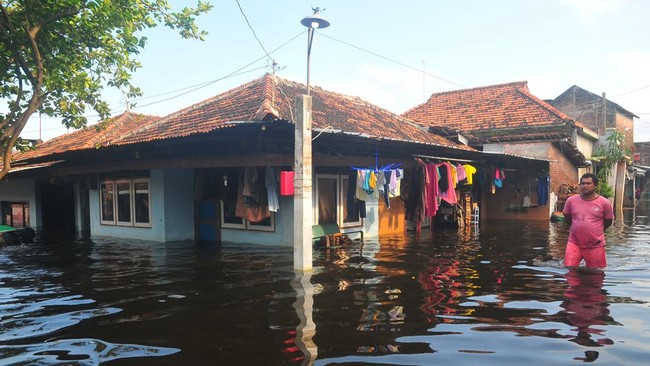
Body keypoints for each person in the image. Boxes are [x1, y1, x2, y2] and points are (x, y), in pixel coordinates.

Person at [563, 173, 614, 268]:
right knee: (570, 269)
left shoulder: (604, 203)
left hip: (595, 244)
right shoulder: (571, 201)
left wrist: (595, 231)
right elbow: (567, 216)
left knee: (595, 274)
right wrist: (577, 227)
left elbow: (608, 221)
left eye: (588, 183)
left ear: (595, 185)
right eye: (582, 183)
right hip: (574, 242)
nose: (584, 186)